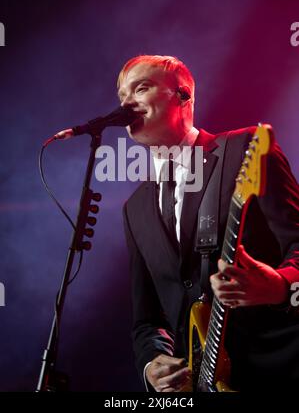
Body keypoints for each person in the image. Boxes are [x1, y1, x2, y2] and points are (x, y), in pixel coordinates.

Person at [119, 55, 299, 392]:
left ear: (183, 95)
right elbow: (147, 320)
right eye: (122, 96)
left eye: (140, 88)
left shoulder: (245, 149)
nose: (127, 102)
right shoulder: (135, 209)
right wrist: (151, 365)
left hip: (278, 371)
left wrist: (278, 287)